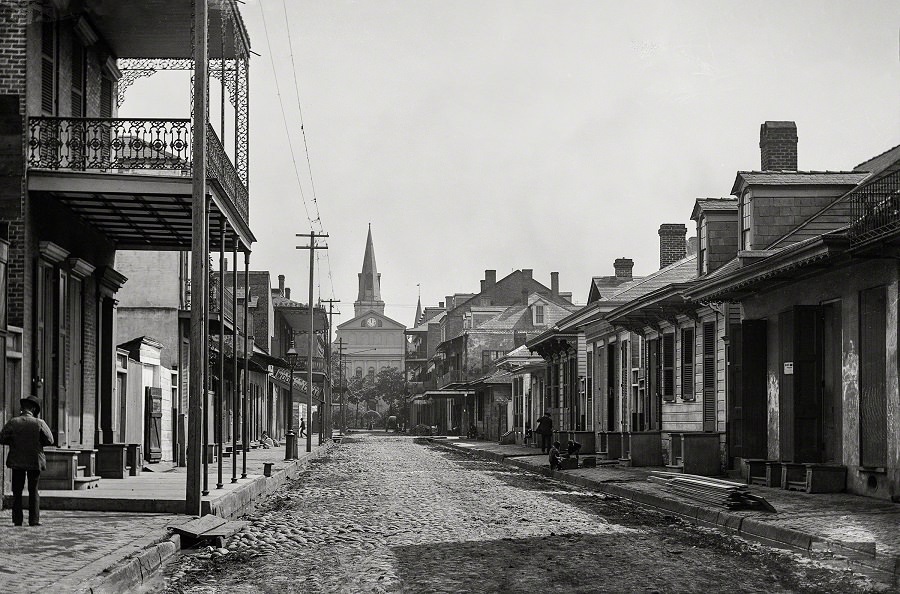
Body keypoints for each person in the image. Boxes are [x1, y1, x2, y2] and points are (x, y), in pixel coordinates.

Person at [0, 395, 54, 526]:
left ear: (22, 408)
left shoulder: (13, 422)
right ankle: (34, 520)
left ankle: (17, 520)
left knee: (17, 491)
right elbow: (50, 440)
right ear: (34, 409)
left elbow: (1, 438)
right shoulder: (39, 423)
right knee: (33, 490)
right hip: (35, 461)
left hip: (17, 461)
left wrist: (14, 442)